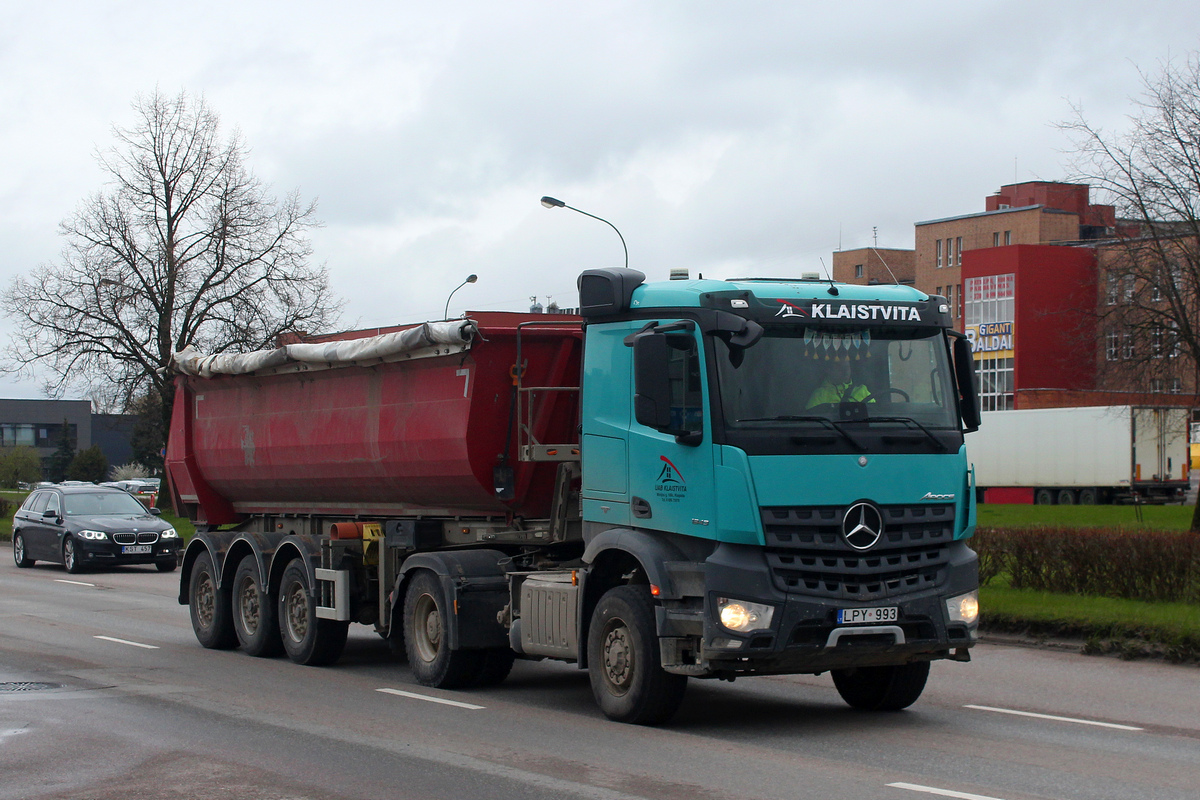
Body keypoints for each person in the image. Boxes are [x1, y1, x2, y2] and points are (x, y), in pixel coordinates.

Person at [805, 358, 874, 408]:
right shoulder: (820, 395)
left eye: (847, 367)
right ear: (829, 370)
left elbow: (874, 414)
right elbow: (811, 423)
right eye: (839, 367)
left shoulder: (863, 390)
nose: (845, 371)